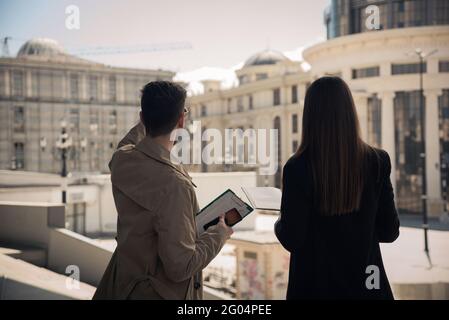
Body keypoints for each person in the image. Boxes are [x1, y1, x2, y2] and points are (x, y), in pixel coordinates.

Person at [93, 81, 233, 300]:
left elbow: (129, 141)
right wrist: (219, 234)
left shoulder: (122, 160)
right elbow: (180, 266)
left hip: (123, 287)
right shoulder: (175, 185)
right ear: (181, 120)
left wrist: (151, 117)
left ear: (142, 117)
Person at [275, 76, 400, 300]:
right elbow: (389, 232)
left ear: (310, 116)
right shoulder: (378, 161)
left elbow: (292, 239)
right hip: (368, 287)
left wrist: (279, 223)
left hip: (315, 289)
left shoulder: (297, 167)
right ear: (350, 112)